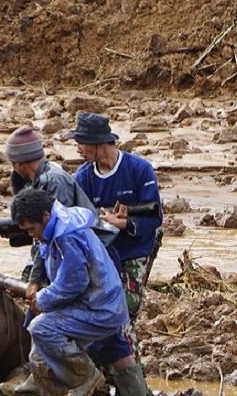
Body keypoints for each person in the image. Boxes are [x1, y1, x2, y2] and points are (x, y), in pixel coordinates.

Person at [3, 125, 100, 395]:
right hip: (59, 258)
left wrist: (37, 279)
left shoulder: (53, 181)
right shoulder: (39, 181)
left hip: (79, 260)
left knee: (45, 312)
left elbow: (53, 235)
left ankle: (66, 375)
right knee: (38, 311)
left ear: (19, 162)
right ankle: (39, 372)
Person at [68, 112, 163, 373]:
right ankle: (113, 373)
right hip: (100, 256)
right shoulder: (83, 177)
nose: (78, 148)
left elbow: (155, 216)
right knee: (99, 313)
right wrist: (103, 220)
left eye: (81, 142)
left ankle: (130, 376)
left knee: (122, 311)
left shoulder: (138, 169)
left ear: (99, 143)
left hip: (134, 252)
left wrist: (123, 223)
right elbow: (80, 218)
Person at [11, 189, 130, 396]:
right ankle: (51, 388)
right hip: (88, 303)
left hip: (100, 308)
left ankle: (87, 378)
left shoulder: (66, 236)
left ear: (46, 216)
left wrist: (42, 299)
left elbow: (73, 283)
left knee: (40, 327)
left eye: (31, 229)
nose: (31, 235)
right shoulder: (56, 224)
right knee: (39, 357)